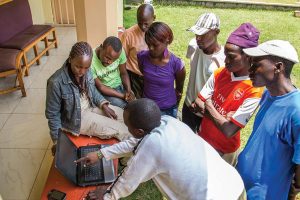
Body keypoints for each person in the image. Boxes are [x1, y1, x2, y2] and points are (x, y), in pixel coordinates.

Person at [76, 98, 244, 200]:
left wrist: (106, 196)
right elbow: (135, 143)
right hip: (232, 183)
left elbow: (128, 180)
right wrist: (100, 154)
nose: (127, 129)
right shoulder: (168, 121)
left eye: (127, 126)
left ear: (139, 131)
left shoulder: (153, 147)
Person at [236, 40, 300, 200]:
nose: (249, 70)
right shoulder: (267, 95)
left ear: (278, 68)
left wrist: (294, 189)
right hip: (243, 186)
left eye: (256, 65)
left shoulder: (296, 110)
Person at [195, 23, 264, 166]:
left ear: (249, 57)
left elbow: (229, 131)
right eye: (226, 55)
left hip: (224, 151)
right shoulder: (221, 72)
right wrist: (223, 118)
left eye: (231, 57)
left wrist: (209, 105)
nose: (225, 61)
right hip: (202, 139)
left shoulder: (254, 90)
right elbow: (197, 104)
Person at [46, 42, 130, 154]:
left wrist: (103, 104)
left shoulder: (87, 70)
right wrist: (57, 141)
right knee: (123, 131)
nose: (82, 72)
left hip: (92, 105)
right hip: (77, 118)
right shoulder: (55, 82)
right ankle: (126, 160)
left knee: (127, 118)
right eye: (78, 67)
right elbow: (52, 114)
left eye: (86, 67)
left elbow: (93, 91)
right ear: (70, 59)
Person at [183, 13, 225, 132]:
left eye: (203, 34)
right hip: (188, 105)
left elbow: (221, 91)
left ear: (216, 32)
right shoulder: (193, 46)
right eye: (196, 33)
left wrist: (202, 106)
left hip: (206, 114)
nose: (198, 38)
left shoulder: (223, 59)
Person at [137, 22, 186, 118]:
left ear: (167, 40)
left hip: (168, 110)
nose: (151, 48)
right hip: (148, 107)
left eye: (155, 45)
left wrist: (175, 106)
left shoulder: (176, 64)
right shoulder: (142, 57)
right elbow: (143, 74)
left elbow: (179, 90)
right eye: (148, 44)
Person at [120, 4, 155, 98]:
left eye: (146, 24)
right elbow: (122, 60)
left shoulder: (157, 32)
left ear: (154, 18)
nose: (143, 27)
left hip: (152, 75)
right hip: (135, 76)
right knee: (139, 105)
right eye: (140, 23)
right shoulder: (128, 35)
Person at [91, 36, 135, 109]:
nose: (110, 62)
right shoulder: (91, 61)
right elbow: (101, 87)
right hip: (107, 91)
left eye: (114, 60)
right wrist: (123, 96)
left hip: (120, 85)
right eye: (107, 57)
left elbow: (123, 73)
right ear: (101, 47)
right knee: (126, 107)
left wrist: (128, 91)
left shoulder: (120, 52)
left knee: (135, 104)